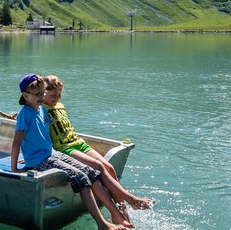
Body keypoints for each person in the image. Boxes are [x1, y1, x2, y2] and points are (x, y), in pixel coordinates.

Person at [10, 73, 129, 230]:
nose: (41, 97)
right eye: (37, 94)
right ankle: (102, 224)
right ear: (25, 96)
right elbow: (16, 143)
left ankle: (116, 212)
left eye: (43, 93)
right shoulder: (25, 114)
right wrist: (14, 168)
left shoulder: (41, 111)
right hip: (40, 160)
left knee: (90, 173)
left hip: (51, 154)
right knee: (80, 178)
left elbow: (43, 134)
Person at [43, 75, 154, 211]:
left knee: (109, 167)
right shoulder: (40, 109)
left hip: (78, 142)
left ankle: (122, 208)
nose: (57, 98)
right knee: (98, 166)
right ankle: (131, 200)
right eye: (53, 95)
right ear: (43, 93)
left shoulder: (60, 106)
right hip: (65, 148)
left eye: (59, 95)